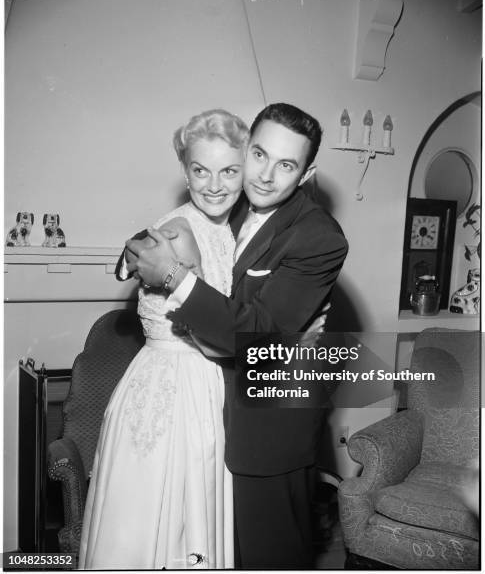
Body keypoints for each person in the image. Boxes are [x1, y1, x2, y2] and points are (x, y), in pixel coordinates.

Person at [126, 102, 349, 569]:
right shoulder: (231, 198)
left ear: (307, 174)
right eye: (259, 155)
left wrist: (173, 277)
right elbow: (190, 221)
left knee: (271, 558)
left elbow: (260, 334)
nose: (266, 175)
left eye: (286, 164)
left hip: (269, 427)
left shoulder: (319, 236)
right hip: (206, 416)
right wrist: (139, 248)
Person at [78, 109, 250, 569]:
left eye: (228, 171)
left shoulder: (221, 227)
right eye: (200, 170)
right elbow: (218, 342)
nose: (214, 185)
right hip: (180, 390)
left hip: (190, 382)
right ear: (184, 169)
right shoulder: (176, 232)